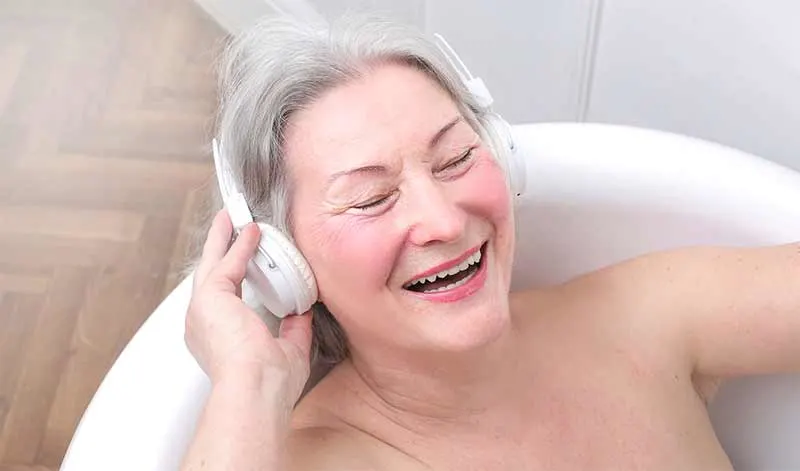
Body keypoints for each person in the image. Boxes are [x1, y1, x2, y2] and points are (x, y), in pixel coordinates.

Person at [179, 13, 800, 471]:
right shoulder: (326, 458)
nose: (445, 220)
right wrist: (247, 384)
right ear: (283, 266)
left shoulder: (641, 316)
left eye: (454, 159)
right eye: (371, 199)